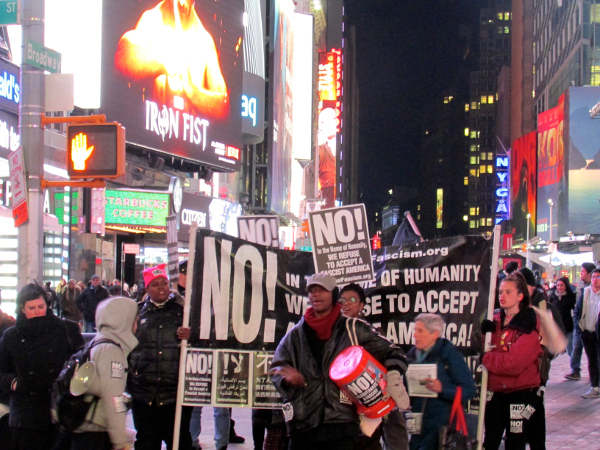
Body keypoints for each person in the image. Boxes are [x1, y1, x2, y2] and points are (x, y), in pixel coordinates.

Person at [270, 273, 409, 450]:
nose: (316, 294)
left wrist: (394, 377)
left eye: (322, 290)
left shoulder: (353, 328)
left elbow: (394, 352)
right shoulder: (295, 334)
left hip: (342, 426)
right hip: (302, 426)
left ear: (333, 294)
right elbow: (276, 367)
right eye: (312, 290)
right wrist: (286, 379)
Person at [0, 283, 84, 449]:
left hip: (60, 409)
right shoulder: (11, 336)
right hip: (26, 414)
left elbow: (82, 362)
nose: (38, 312)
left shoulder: (65, 329)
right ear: (22, 309)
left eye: (41, 306)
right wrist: (15, 383)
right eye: (32, 308)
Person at [114, 0, 229, 118]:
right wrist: (165, 63)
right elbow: (123, 57)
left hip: (190, 132)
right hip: (154, 131)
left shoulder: (205, 41)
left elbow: (223, 107)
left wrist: (191, 90)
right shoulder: (152, 20)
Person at [127, 263, 194, 450]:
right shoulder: (135, 312)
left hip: (175, 394)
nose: (161, 287)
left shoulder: (183, 312)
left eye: (164, 283)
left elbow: (201, 342)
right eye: (155, 284)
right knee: (146, 442)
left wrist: (191, 335)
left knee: (179, 441)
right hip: (144, 394)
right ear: (147, 288)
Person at [339, 283, 409, 450]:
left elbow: (394, 354)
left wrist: (393, 378)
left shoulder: (370, 334)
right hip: (343, 410)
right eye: (342, 300)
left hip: (375, 401)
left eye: (352, 300)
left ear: (362, 305)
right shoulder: (333, 334)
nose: (346, 304)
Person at [481, 272, 544, 450]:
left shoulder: (528, 324)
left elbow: (513, 364)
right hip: (497, 392)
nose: (502, 296)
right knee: (490, 440)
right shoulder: (494, 322)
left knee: (515, 443)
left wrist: (486, 358)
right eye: (501, 292)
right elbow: (484, 350)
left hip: (522, 392)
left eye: (508, 292)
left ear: (520, 296)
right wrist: (482, 336)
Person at [71, 296, 139, 450]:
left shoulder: (98, 341)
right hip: (96, 434)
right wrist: (121, 443)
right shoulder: (112, 351)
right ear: (124, 321)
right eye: (134, 319)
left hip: (83, 429)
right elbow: (114, 400)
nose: (137, 324)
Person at [405, 313, 476, 450]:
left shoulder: (449, 355)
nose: (415, 335)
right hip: (416, 424)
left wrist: (442, 389)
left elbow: (469, 390)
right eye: (415, 330)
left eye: (420, 331)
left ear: (435, 334)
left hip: (441, 426)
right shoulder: (411, 355)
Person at [565, 262, 596, 380]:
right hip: (580, 321)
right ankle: (575, 370)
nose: (581, 274)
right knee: (576, 346)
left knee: (593, 351)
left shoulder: (594, 288)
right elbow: (577, 304)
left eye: (583, 272)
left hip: (593, 323)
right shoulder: (580, 286)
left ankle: (595, 375)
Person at [575, 268, 600, 399]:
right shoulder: (586, 293)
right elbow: (578, 311)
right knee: (592, 360)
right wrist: (579, 327)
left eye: (598, 277)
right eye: (594, 276)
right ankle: (594, 386)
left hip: (599, 333)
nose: (595, 279)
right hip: (587, 332)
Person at [548, 277, 576, 357]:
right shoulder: (553, 296)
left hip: (568, 325)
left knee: (570, 347)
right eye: (558, 285)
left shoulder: (571, 296)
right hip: (556, 326)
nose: (559, 287)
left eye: (562, 285)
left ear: (566, 286)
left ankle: (574, 366)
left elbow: (575, 310)